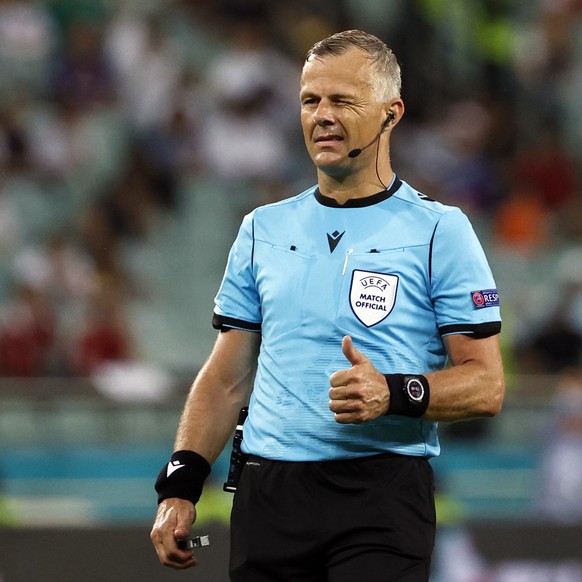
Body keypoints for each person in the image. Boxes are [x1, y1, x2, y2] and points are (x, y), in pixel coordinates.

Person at [150, 29, 505, 582]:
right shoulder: (261, 229)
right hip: (269, 497)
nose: (322, 116)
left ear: (391, 113)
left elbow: (486, 384)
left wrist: (392, 392)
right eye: (310, 100)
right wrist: (179, 486)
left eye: (342, 100)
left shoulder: (441, 232)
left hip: (381, 495)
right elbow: (225, 376)